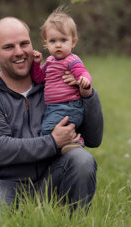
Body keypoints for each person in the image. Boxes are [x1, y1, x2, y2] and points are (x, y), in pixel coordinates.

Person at [0, 17, 103, 211]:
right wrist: (52, 142)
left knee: (82, 160)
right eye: (8, 47)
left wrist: (87, 94)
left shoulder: (55, 82)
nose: (19, 52)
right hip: (3, 182)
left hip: (51, 178)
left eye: (24, 44)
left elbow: (94, 138)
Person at [31, 7, 92, 154]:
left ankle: (77, 140)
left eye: (63, 40)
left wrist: (84, 80)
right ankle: (66, 145)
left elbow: (82, 72)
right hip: (53, 108)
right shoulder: (50, 61)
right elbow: (39, 78)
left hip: (69, 107)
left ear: (73, 42)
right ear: (46, 43)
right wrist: (36, 64)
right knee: (48, 132)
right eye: (53, 41)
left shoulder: (72, 60)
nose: (58, 45)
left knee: (46, 132)